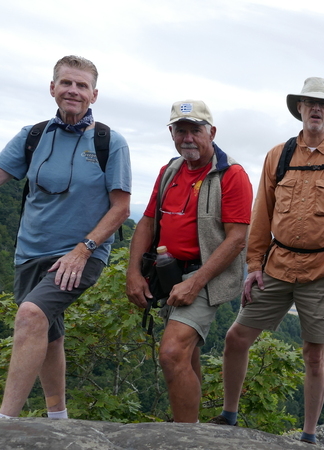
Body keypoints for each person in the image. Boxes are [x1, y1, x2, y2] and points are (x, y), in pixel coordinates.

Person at [0, 55, 131, 419]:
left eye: (82, 85)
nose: (73, 91)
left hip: (81, 254)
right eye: (66, 83)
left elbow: (120, 209)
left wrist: (82, 251)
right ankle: (58, 417)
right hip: (29, 253)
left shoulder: (109, 142)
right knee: (47, 331)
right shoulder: (33, 136)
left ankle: (4, 422)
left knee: (31, 315)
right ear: (52, 88)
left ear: (94, 95)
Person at [208, 78, 324, 444]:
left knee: (315, 355)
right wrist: (254, 267)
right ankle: (229, 415)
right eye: (308, 102)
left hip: (323, 271)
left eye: (323, 104)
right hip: (277, 265)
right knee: (236, 337)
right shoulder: (278, 155)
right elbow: (262, 214)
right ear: (299, 108)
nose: (315, 109)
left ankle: (309, 435)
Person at [126, 100, 252, 423]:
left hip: (204, 277)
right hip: (168, 276)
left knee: (171, 353)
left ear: (212, 132)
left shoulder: (231, 175)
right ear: (171, 133)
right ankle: (193, 426)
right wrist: (133, 273)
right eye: (180, 130)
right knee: (187, 353)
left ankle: (186, 436)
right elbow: (147, 222)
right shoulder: (170, 171)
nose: (188, 138)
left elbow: (237, 238)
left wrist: (195, 283)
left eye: (195, 130)